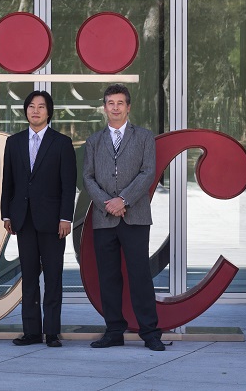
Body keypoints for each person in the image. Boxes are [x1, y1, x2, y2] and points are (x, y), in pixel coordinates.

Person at [83, 84, 165, 351]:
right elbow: (88, 177)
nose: (115, 107)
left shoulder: (144, 137)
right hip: (104, 218)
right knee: (108, 276)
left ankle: (150, 333)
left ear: (128, 107)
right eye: (110, 103)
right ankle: (113, 331)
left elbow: (148, 173)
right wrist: (108, 204)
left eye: (120, 103)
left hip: (135, 217)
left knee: (140, 275)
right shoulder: (94, 140)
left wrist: (123, 200)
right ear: (104, 107)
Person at [1, 90, 77, 348]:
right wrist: (7, 213)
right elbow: (8, 182)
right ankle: (31, 331)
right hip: (23, 221)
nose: (35, 110)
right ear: (26, 111)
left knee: (54, 277)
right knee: (29, 278)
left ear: (49, 112)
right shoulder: (14, 142)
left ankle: (52, 332)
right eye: (31, 106)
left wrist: (66, 218)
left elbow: (69, 185)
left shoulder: (62, 143)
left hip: (54, 222)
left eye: (41, 107)